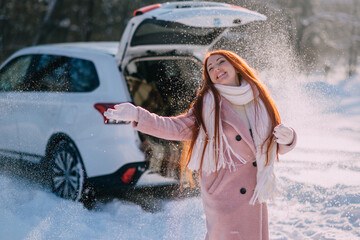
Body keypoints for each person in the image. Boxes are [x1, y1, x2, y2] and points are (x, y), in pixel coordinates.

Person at [104, 50, 296, 240]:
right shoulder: (208, 107)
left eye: (221, 62)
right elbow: (174, 127)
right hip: (225, 197)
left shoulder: (259, 101)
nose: (216, 69)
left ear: (236, 66)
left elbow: (272, 144)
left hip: (255, 195)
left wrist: (288, 139)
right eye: (210, 68)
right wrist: (138, 115)